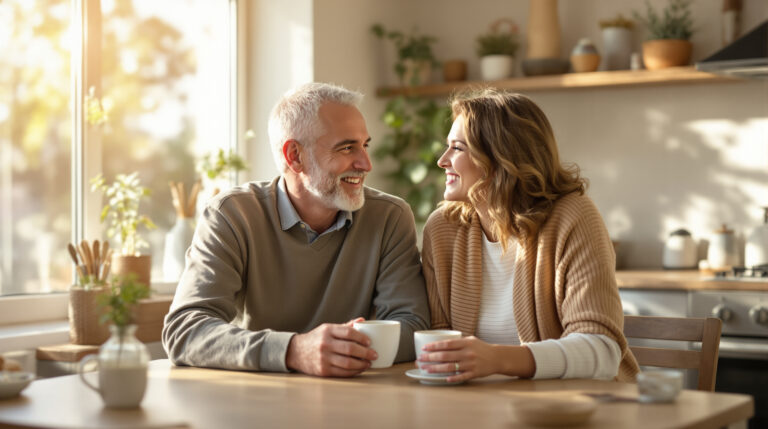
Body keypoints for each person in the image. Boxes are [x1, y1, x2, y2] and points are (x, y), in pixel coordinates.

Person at [162, 82, 430, 377]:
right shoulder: (232, 215)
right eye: (347, 147)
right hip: (258, 399)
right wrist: (294, 351)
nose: (365, 163)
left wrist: (341, 349)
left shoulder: (389, 217)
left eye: (365, 145)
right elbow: (185, 331)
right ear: (294, 156)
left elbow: (413, 325)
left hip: (356, 397)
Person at [419, 89, 639, 383]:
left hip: (582, 410)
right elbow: (438, 339)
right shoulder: (443, 228)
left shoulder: (573, 217)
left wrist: (496, 359)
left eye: (457, 148)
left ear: (500, 157)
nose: (442, 160)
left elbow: (601, 349)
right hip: (484, 409)